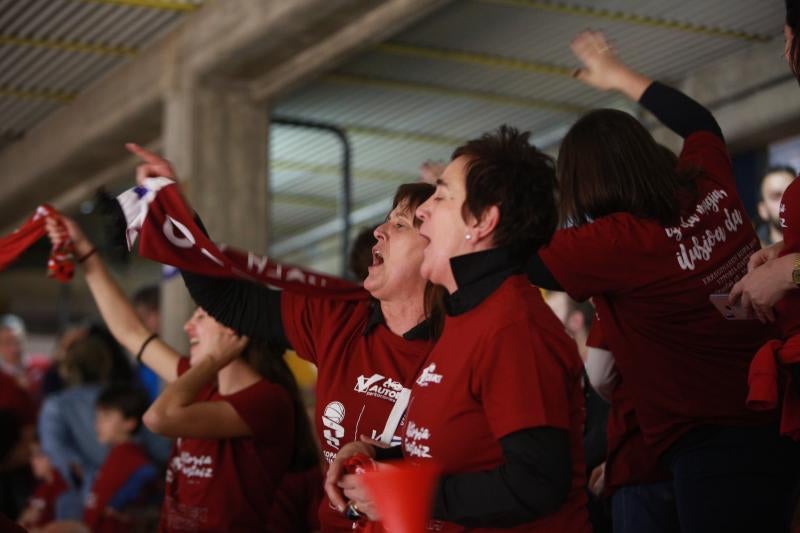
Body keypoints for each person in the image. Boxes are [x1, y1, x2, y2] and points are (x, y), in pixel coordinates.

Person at [527, 30, 796, 533]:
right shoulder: (706, 180)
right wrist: (621, 77)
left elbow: (525, 260)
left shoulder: (615, 244)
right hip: (779, 416)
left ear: (583, 188)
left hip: (710, 448)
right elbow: (699, 120)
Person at [331, 125, 591, 531]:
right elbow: (470, 451)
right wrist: (383, 460)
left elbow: (537, 483)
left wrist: (407, 490)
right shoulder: (465, 314)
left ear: (484, 221)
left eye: (442, 196)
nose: (422, 211)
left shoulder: (513, 328)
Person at [45, 215, 313, 532]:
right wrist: (85, 251)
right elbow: (130, 331)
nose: (188, 326)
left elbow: (158, 417)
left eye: (201, 316)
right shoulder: (200, 381)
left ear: (233, 323)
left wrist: (212, 361)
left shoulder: (267, 399)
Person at [43, 384, 159, 533]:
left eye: (106, 417)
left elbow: (147, 474)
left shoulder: (132, 458)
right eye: (97, 417)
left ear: (129, 422)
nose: (98, 423)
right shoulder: (115, 454)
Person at [38, 337, 112, 521]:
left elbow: (58, 457)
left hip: (76, 504)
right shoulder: (124, 399)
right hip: (122, 497)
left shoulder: (56, 405)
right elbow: (156, 450)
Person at [756, 166, 796, 246]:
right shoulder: (755, 253)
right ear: (763, 210)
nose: (787, 200)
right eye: (776, 196)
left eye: (793, 192)